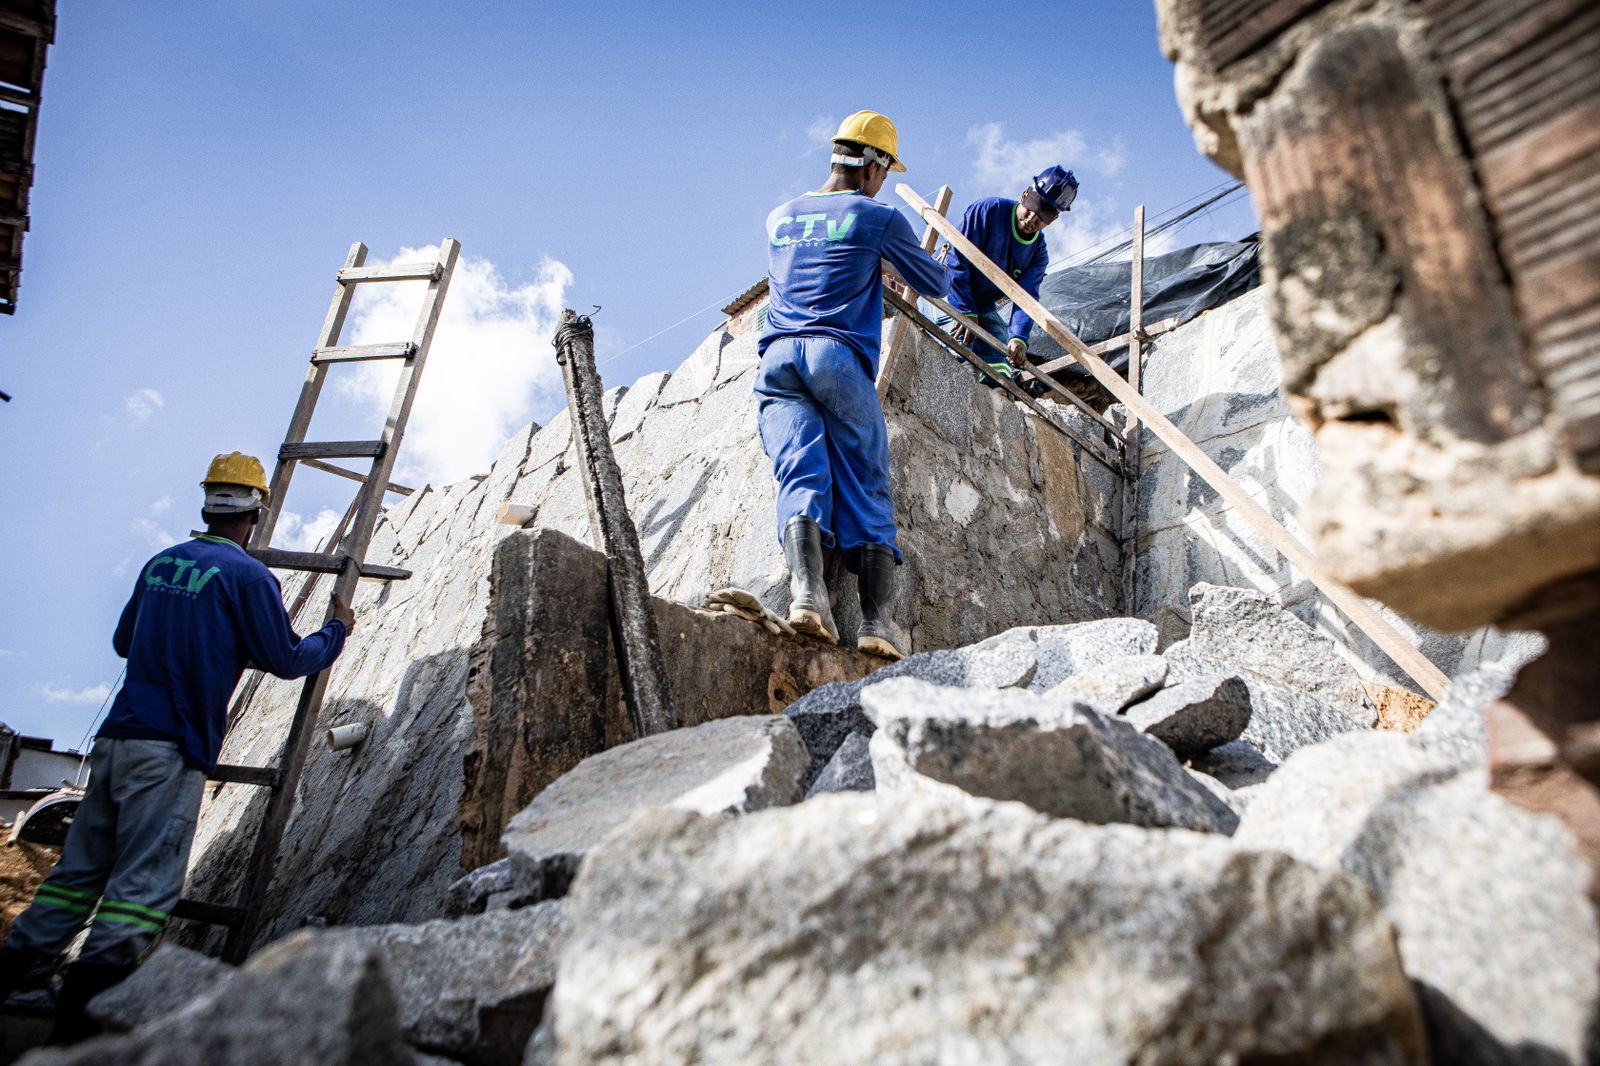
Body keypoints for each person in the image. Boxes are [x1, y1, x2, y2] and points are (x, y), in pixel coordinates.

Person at [0, 452, 354, 1043]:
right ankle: (73, 1039)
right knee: (140, 894)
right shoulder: (247, 577)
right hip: (169, 748)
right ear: (257, 510)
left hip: (117, 740)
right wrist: (337, 629)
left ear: (206, 503)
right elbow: (288, 658)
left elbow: (122, 641)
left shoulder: (161, 563)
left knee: (76, 876)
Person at [755, 109, 948, 661]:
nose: (883, 184)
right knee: (866, 482)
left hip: (778, 360)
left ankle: (808, 597)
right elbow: (934, 281)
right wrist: (918, 255)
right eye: (885, 173)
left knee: (801, 468)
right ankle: (876, 622)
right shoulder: (876, 217)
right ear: (872, 165)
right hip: (837, 358)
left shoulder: (779, 217)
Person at [938, 165, 1077, 387]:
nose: (1032, 219)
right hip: (947, 291)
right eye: (1031, 208)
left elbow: (1026, 298)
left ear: (1054, 219)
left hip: (983, 307)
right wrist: (964, 311)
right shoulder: (989, 210)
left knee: (1000, 367)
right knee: (959, 351)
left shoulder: (1038, 253)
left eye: (1042, 217)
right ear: (1024, 195)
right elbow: (957, 259)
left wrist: (1018, 338)